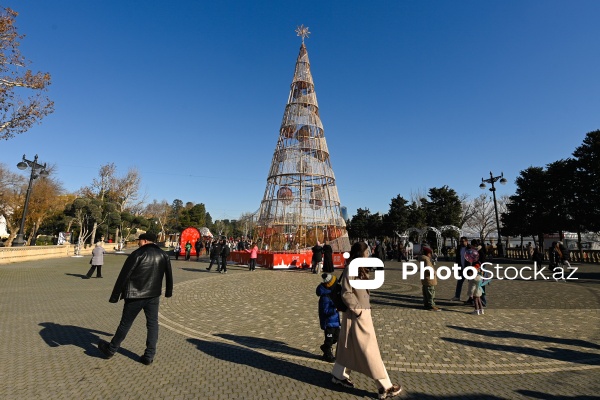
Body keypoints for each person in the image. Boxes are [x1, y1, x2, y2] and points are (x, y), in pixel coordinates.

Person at [331, 241, 403, 399]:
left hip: (359, 314)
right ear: (361, 253)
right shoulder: (352, 268)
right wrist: (358, 311)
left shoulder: (359, 267)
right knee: (369, 350)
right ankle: (385, 386)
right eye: (367, 252)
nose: (369, 254)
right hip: (358, 315)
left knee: (349, 346)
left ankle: (338, 374)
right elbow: (346, 293)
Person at [98, 233, 173, 365]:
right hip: (154, 295)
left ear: (144, 241)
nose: (138, 243)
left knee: (125, 324)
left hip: (134, 295)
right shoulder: (163, 254)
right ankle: (149, 355)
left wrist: (115, 296)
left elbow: (124, 275)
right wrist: (168, 292)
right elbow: (169, 275)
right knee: (152, 324)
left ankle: (111, 349)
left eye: (139, 241)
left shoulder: (137, 254)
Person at [316, 273, 341, 362]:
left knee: (337, 337)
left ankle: (325, 347)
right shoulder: (325, 297)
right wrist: (335, 308)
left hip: (335, 321)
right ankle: (327, 353)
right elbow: (325, 311)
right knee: (329, 339)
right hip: (328, 322)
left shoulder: (332, 294)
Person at [417, 246, 440, 311]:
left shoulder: (421, 259)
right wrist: (434, 273)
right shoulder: (426, 259)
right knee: (431, 292)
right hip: (429, 279)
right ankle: (431, 305)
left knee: (426, 292)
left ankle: (426, 304)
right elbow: (428, 268)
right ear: (428, 254)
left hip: (424, 278)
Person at [452, 237, 470, 301]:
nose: (462, 243)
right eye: (461, 241)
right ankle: (457, 296)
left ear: (466, 241)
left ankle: (471, 298)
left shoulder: (469, 248)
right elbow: (457, 258)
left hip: (469, 269)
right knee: (459, 282)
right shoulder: (459, 248)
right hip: (461, 268)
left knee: (470, 284)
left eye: (463, 241)